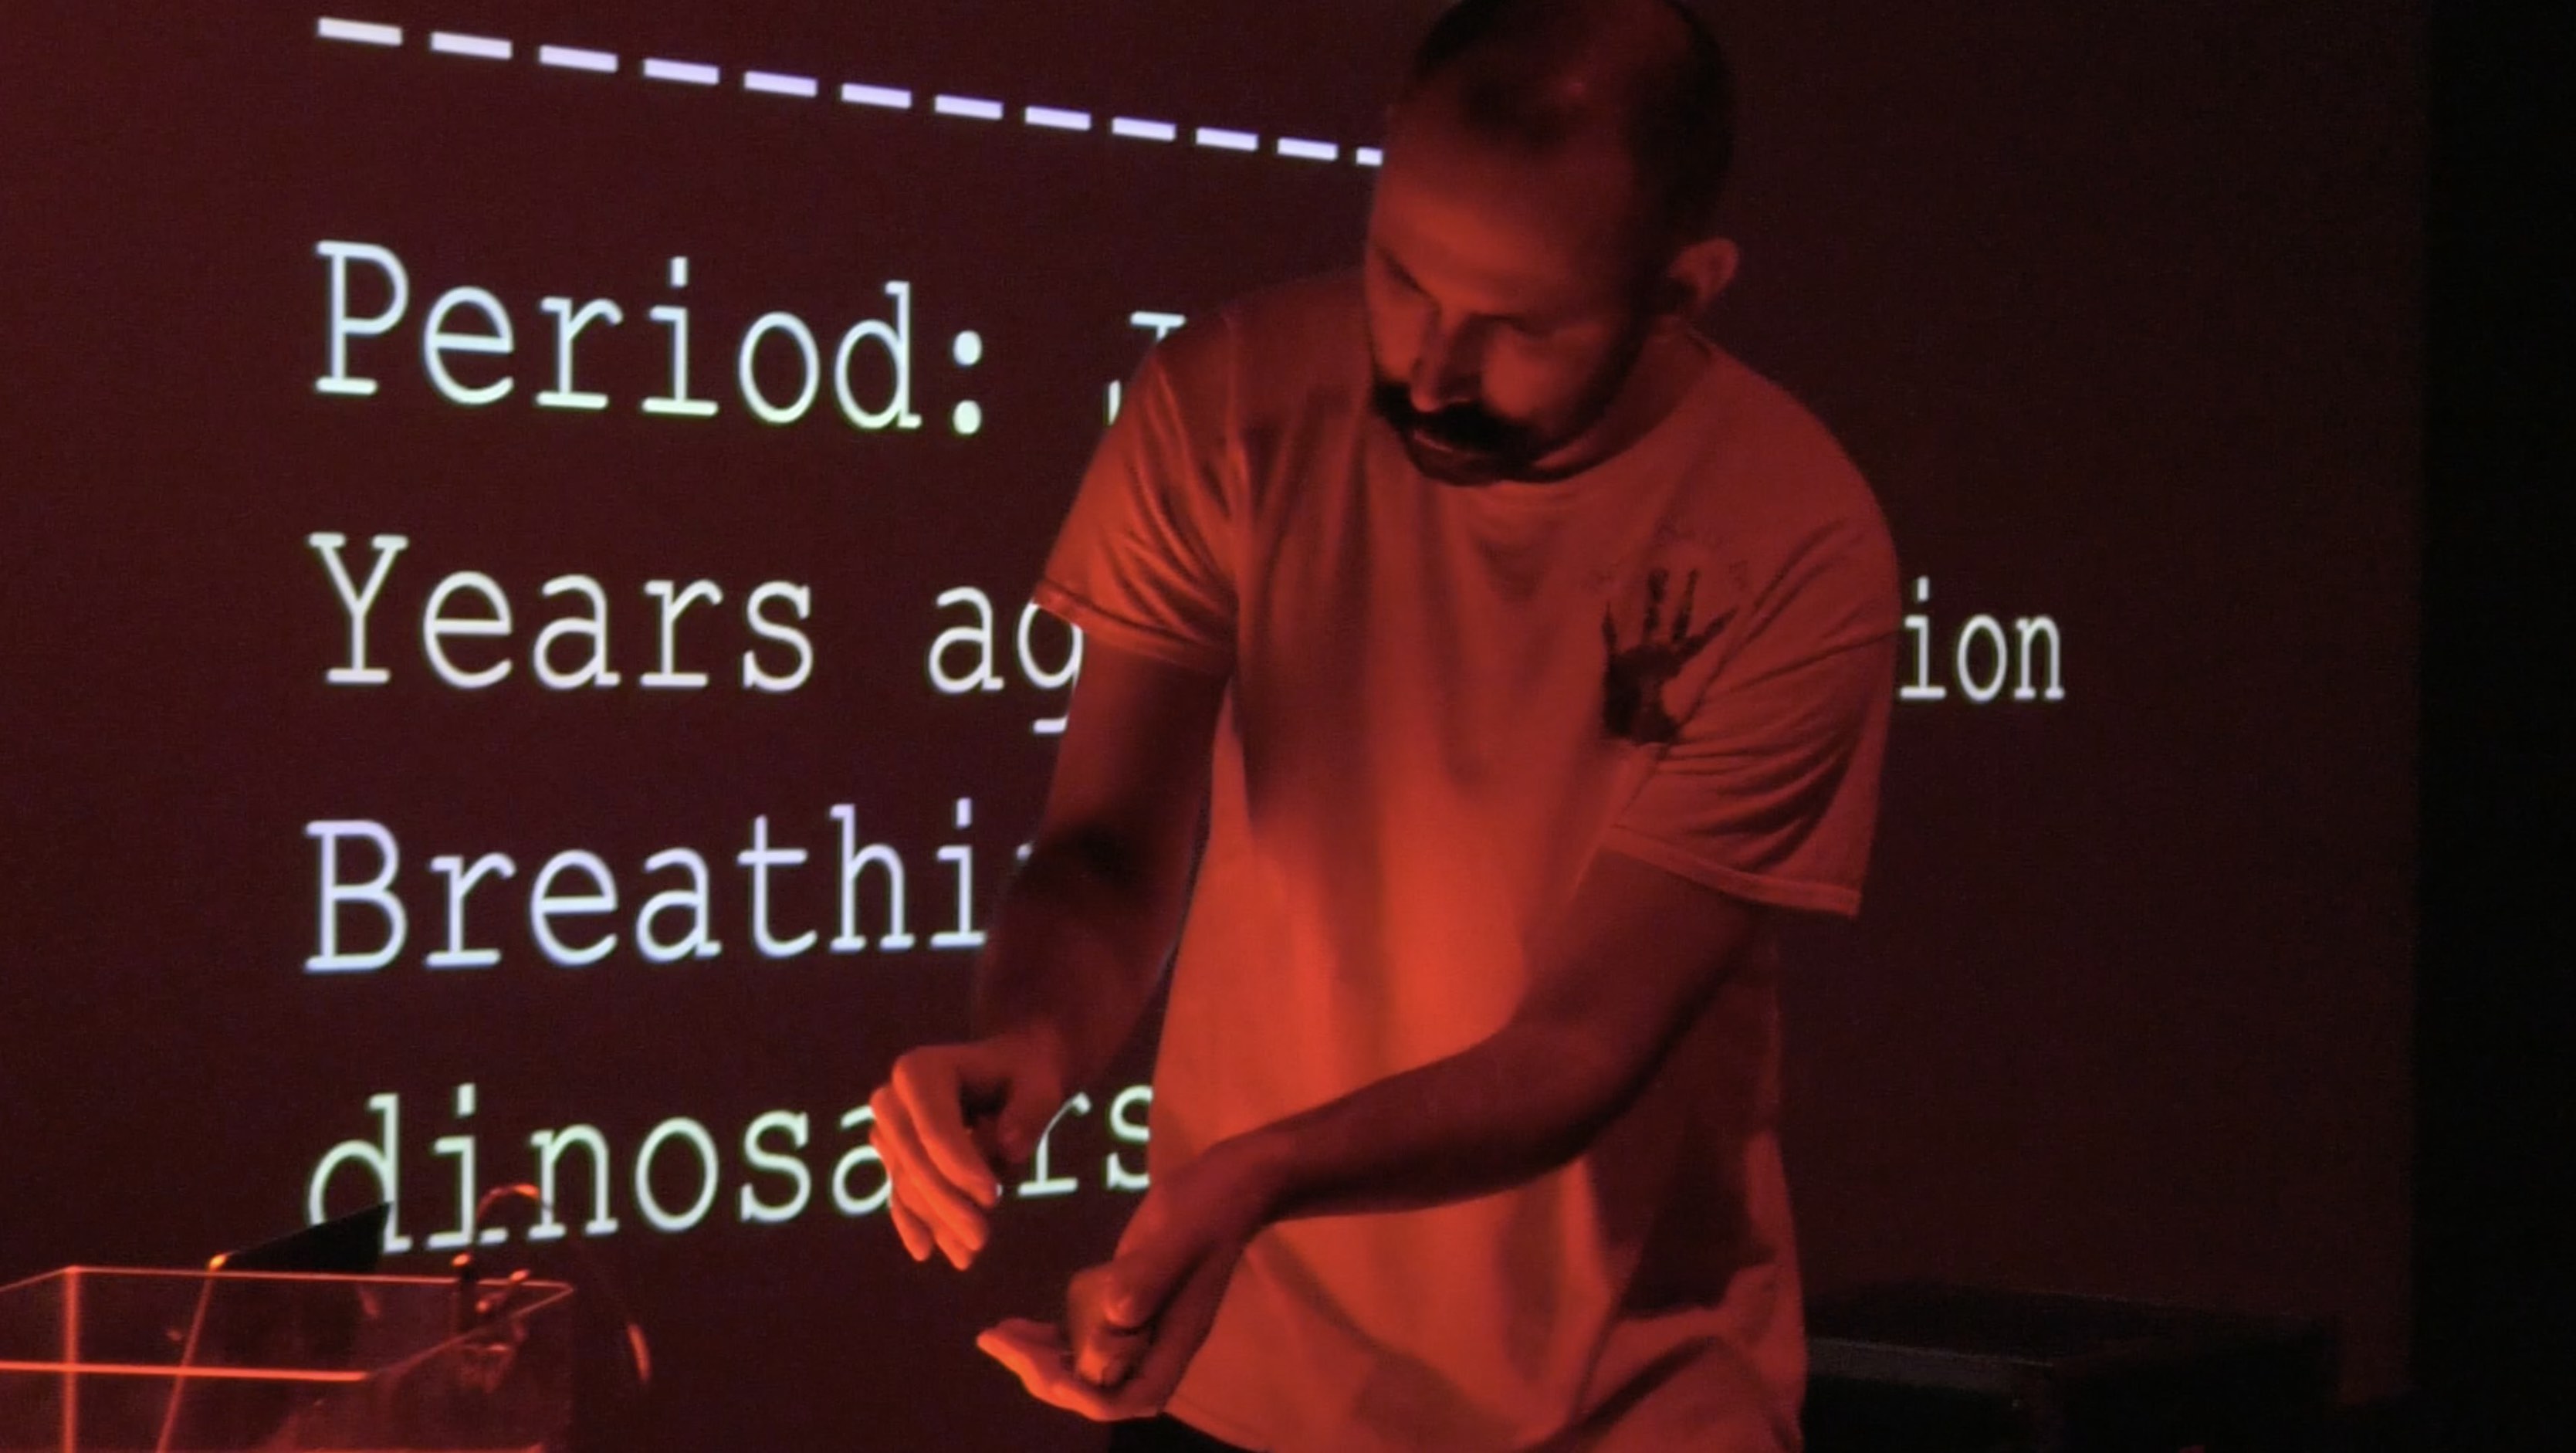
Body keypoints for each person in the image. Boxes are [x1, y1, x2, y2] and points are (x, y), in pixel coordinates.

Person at [864, 1, 1900, 1448]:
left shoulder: (1794, 535)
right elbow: (1105, 850)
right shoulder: (1223, 407)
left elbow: (1580, 1046)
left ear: (1683, 292)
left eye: (1519, 328)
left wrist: (1253, 1173)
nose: (1431, 369)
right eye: (1400, 279)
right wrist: (1031, 1045)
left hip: (1635, 1397)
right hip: (1244, 1384)